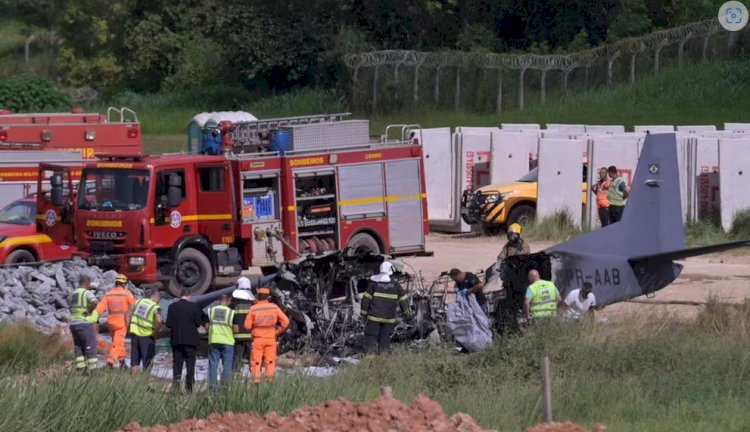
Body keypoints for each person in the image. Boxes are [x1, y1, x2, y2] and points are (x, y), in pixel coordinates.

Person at [360, 261, 411, 354]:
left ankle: (369, 364)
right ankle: (383, 362)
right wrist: (407, 313)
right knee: (384, 342)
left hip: (373, 319)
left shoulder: (374, 285)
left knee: (370, 340)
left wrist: (363, 315)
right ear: (391, 272)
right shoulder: (396, 286)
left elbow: (365, 301)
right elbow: (403, 301)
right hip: (388, 320)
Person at [244, 287, 290, 384]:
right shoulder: (274, 307)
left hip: (258, 339)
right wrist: (277, 332)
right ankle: (269, 380)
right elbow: (285, 322)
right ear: (268, 297)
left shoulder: (253, 308)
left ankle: (256, 381)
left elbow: (247, 326)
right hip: (270, 339)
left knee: (256, 361)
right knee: (270, 361)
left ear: (258, 297)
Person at [166, 288, 206, 393]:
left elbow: (168, 324)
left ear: (181, 295)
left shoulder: (172, 307)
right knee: (190, 364)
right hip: (191, 340)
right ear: (189, 296)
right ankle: (189, 387)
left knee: (177, 364)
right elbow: (198, 323)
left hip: (177, 339)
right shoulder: (194, 307)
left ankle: (176, 387)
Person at [92, 274, 135, 368]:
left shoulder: (109, 294)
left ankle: (122, 363)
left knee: (117, 342)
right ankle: (109, 363)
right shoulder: (127, 293)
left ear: (116, 283)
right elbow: (133, 307)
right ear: (124, 284)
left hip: (111, 323)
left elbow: (100, 307)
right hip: (121, 323)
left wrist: (94, 319)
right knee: (118, 343)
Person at [68, 275, 99, 374]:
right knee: (90, 345)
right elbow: (95, 302)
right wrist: (89, 311)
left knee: (78, 346)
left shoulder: (73, 294)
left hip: (73, 323)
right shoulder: (86, 293)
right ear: (87, 282)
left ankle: (80, 368)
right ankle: (93, 369)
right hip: (84, 322)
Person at [128, 289, 162, 377]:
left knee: (134, 362)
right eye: (159, 300)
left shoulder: (138, 302)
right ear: (156, 297)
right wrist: (155, 332)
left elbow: (128, 313)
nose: (159, 302)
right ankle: (144, 384)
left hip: (135, 335)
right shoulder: (154, 307)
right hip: (147, 337)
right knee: (147, 362)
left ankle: (132, 384)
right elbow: (159, 321)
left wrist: (128, 327)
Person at [206, 295, 236, 391]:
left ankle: (212, 388)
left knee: (213, 364)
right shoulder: (231, 312)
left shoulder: (211, 311)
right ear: (227, 301)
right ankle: (225, 388)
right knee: (227, 365)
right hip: (228, 341)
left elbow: (207, 326)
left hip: (214, 340)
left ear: (219, 301)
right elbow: (236, 328)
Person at [231, 277, 255, 373]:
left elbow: (233, 319)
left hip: (238, 336)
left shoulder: (234, 305)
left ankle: (235, 373)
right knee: (252, 356)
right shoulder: (252, 304)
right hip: (250, 335)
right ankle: (254, 374)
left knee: (237, 355)